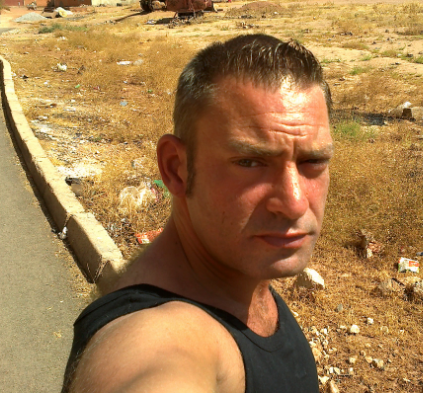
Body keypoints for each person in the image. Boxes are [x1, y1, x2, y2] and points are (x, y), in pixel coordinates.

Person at [62, 34, 334, 393]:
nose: (295, 203)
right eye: (250, 162)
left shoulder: (240, 269)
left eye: (313, 161)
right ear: (176, 168)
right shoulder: (156, 337)